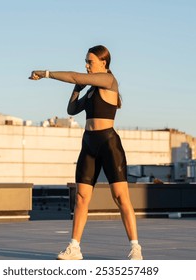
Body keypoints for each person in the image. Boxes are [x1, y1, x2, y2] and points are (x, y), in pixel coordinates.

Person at [29, 45, 142, 260]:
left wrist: (45, 74)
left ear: (103, 63)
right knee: (81, 197)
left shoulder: (109, 81)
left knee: (121, 197)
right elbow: (71, 110)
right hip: (89, 143)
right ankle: (74, 248)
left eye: (90, 62)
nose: (86, 65)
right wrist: (77, 87)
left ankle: (135, 248)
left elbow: (73, 76)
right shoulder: (91, 89)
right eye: (86, 61)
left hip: (108, 143)